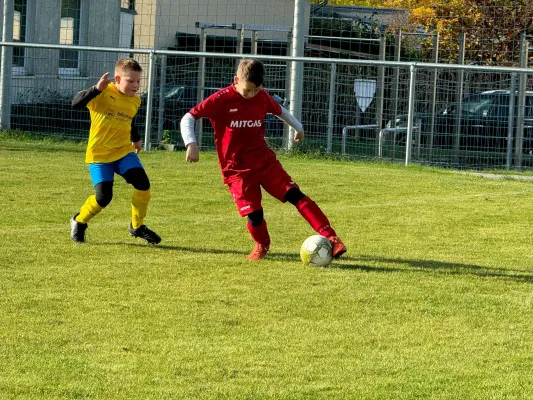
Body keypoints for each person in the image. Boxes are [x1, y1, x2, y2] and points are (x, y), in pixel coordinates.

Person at [180, 58, 346, 260]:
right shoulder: (221, 98)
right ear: (236, 80)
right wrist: (191, 143)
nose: (251, 95)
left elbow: (280, 110)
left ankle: (332, 237)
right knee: (255, 215)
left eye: (255, 91)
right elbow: (188, 117)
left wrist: (298, 128)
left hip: (265, 162)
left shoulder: (262, 97)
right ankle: (262, 244)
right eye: (246, 90)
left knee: (295, 194)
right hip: (237, 170)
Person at [69, 58, 161, 244]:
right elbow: (75, 104)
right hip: (99, 155)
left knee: (143, 185)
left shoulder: (135, 100)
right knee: (104, 197)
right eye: (131, 81)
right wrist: (96, 89)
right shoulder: (101, 93)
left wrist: (135, 139)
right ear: (117, 79)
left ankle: (136, 227)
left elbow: (129, 119)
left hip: (123, 152)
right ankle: (79, 221)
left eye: (138, 82)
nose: (135, 86)